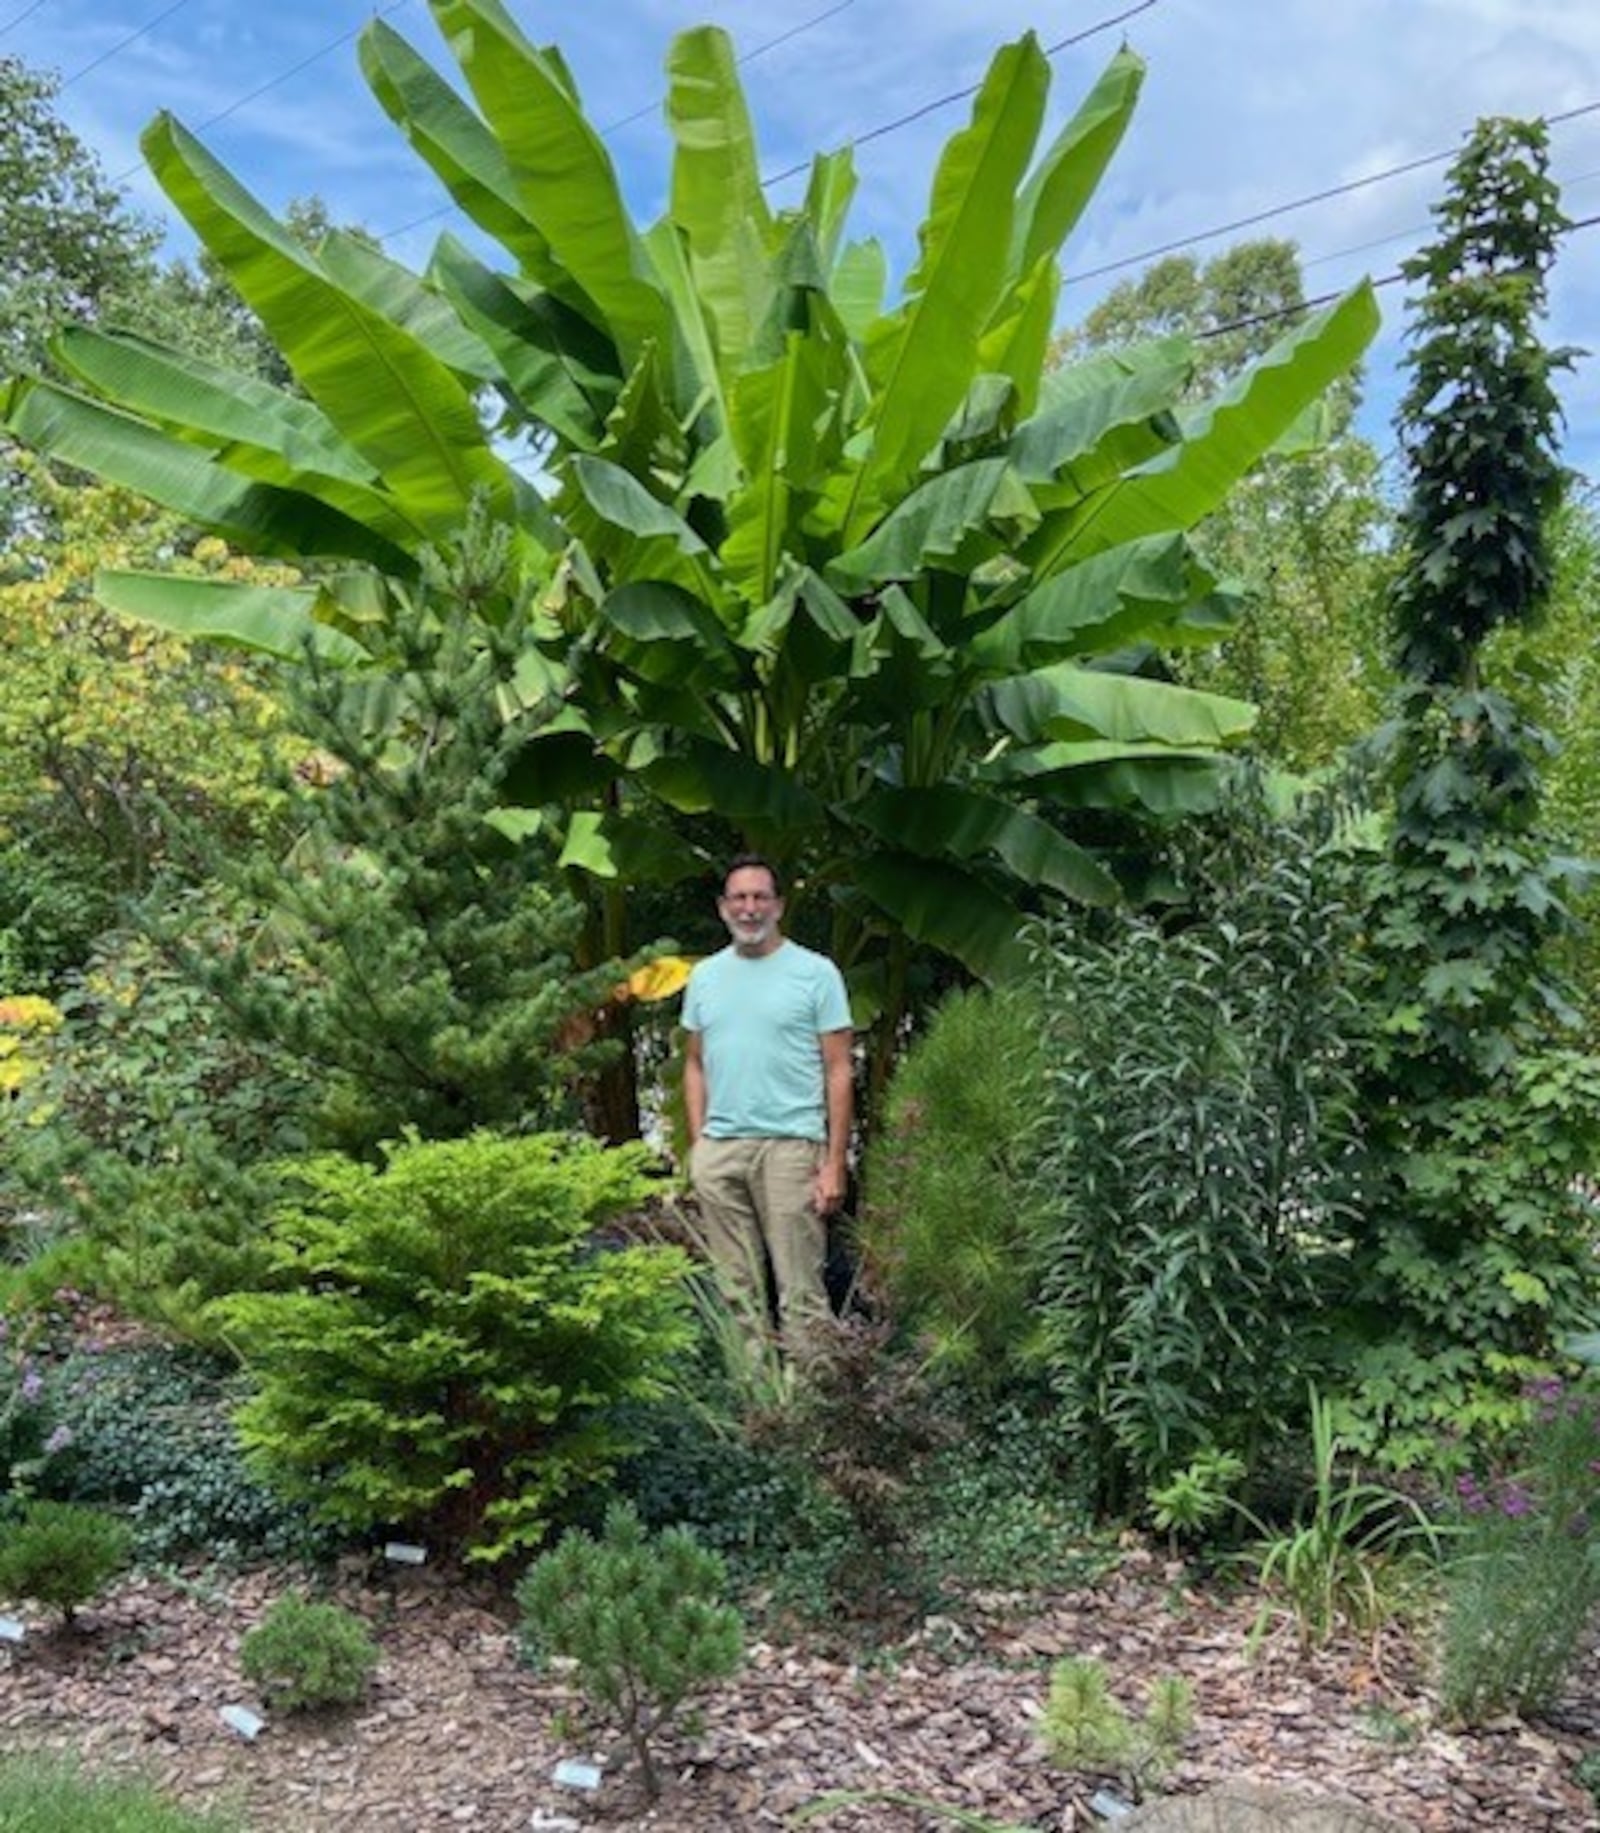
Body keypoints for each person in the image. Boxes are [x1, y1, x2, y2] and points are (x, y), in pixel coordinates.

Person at [681, 854, 854, 1351]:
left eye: (760, 897)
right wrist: (700, 1146)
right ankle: (757, 1413)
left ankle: (809, 1416)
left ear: (778, 905)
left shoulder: (816, 974)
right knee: (739, 1296)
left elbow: (839, 1070)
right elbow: (694, 1062)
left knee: (802, 1295)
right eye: (739, 898)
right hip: (721, 1152)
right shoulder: (705, 979)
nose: (750, 908)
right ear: (722, 908)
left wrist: (834, 1164)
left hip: (790, 1149)